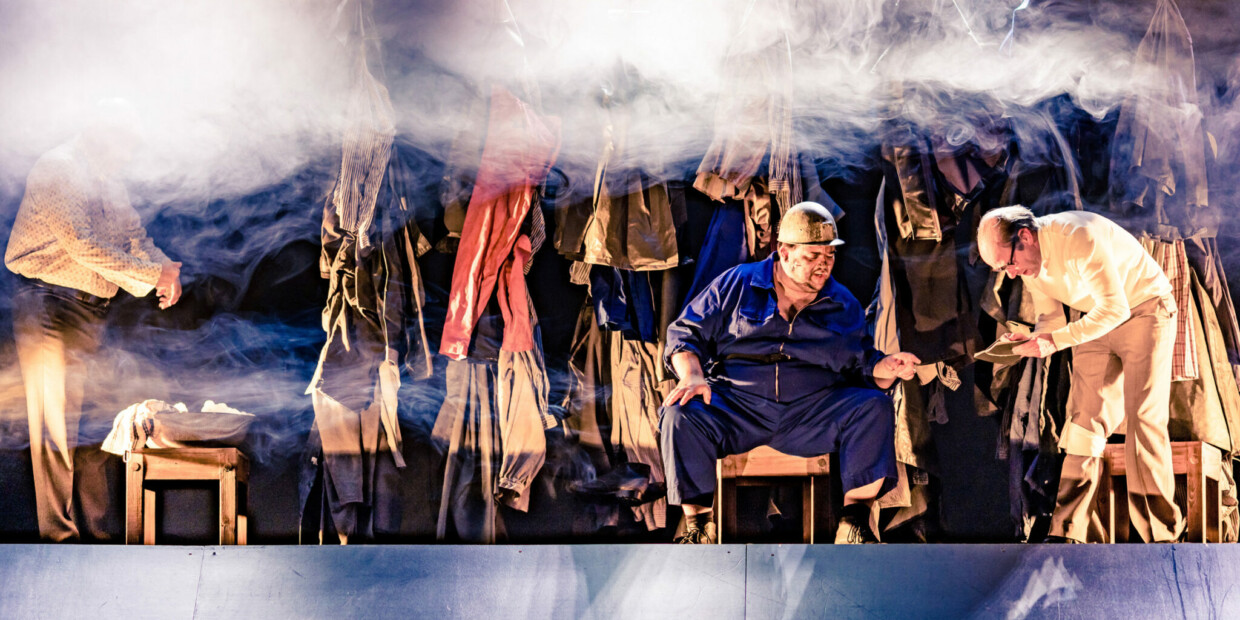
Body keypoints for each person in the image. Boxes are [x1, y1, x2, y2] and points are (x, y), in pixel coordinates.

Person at [660, 201, 919, 544]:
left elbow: (861, 366)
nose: (824, 265)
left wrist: (886, 368)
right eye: (813, 256)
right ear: (784, 251)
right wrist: (692, 375)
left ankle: (853, 523)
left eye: (830, 255)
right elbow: (684, 335)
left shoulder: (843, 303)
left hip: (810, 413)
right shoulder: (737, 283)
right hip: (738, 408)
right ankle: (699, 526)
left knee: (873, 406)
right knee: (680, 413)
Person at [5, 99, 183, 541]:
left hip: (90, 312)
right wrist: (149, 274)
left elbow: (135, 238)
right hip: (48, 305)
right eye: (125, 144)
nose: (128, 155)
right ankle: (61, 540)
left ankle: (99, 540)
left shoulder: (109, 182)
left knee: (94, 430)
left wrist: (165, 271)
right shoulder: (59, 167)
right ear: (99, 133)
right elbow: (81, 245)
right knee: (55, 426)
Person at [977, 206, 1183, 543]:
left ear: (1025, 237)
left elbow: (1117, 308)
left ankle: (1160, 536)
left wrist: (1056, 341)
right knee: (1084, 422)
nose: (1011, 274)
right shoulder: (1028, 264)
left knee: (1143, 418)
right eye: (1002, 269)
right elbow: (1052, 320)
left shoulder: (1077, 236)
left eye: (1008, 264)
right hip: (1095, 320)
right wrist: (1033, 339)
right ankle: (1069, 531)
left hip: (1145, 310)